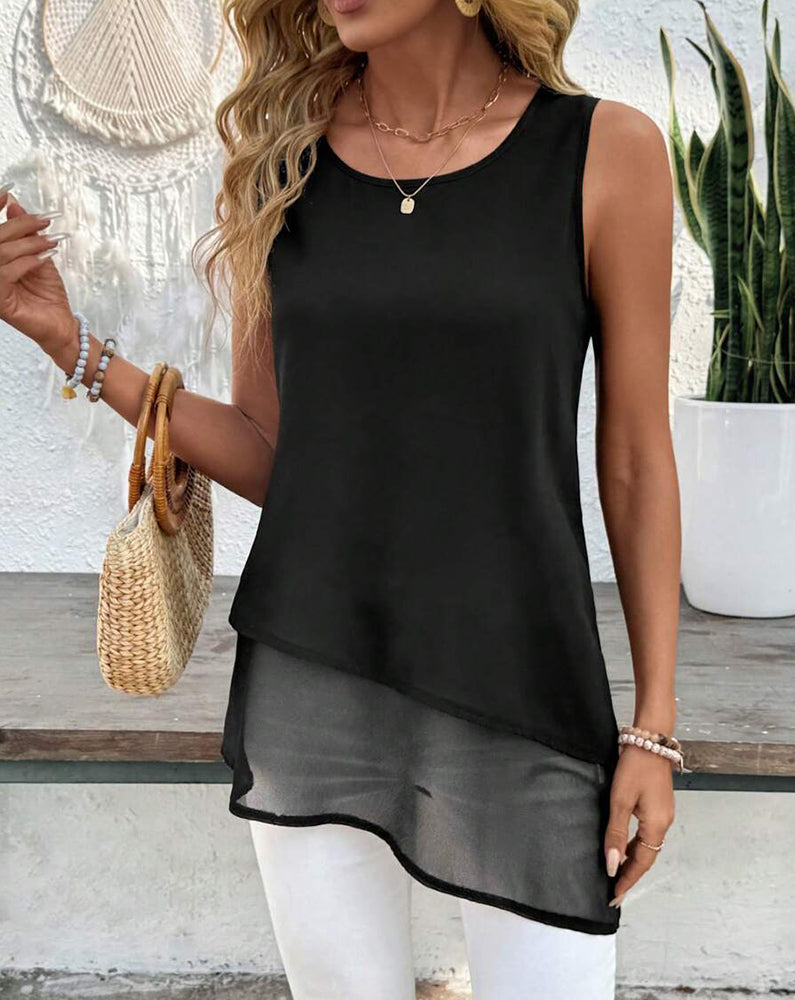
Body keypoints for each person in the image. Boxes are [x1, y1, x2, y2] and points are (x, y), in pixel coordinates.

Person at [1, 0, 681, 995]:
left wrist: (652, 726)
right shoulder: (281, 166)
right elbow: (270, 450)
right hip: (315, 678)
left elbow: (634, 458)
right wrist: (72, 344)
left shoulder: (605, 152)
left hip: (524, 680)